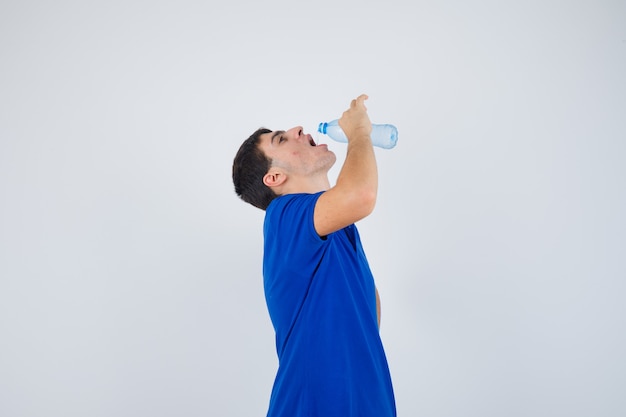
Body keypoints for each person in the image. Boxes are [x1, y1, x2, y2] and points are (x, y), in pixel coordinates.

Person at [232, 94, 396, 417]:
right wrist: (360, 133)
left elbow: (369, 317)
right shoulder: (283, 218)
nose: (297, 128)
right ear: (274, 178)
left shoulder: (339, 230)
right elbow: (361, 194)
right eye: (281, 139)